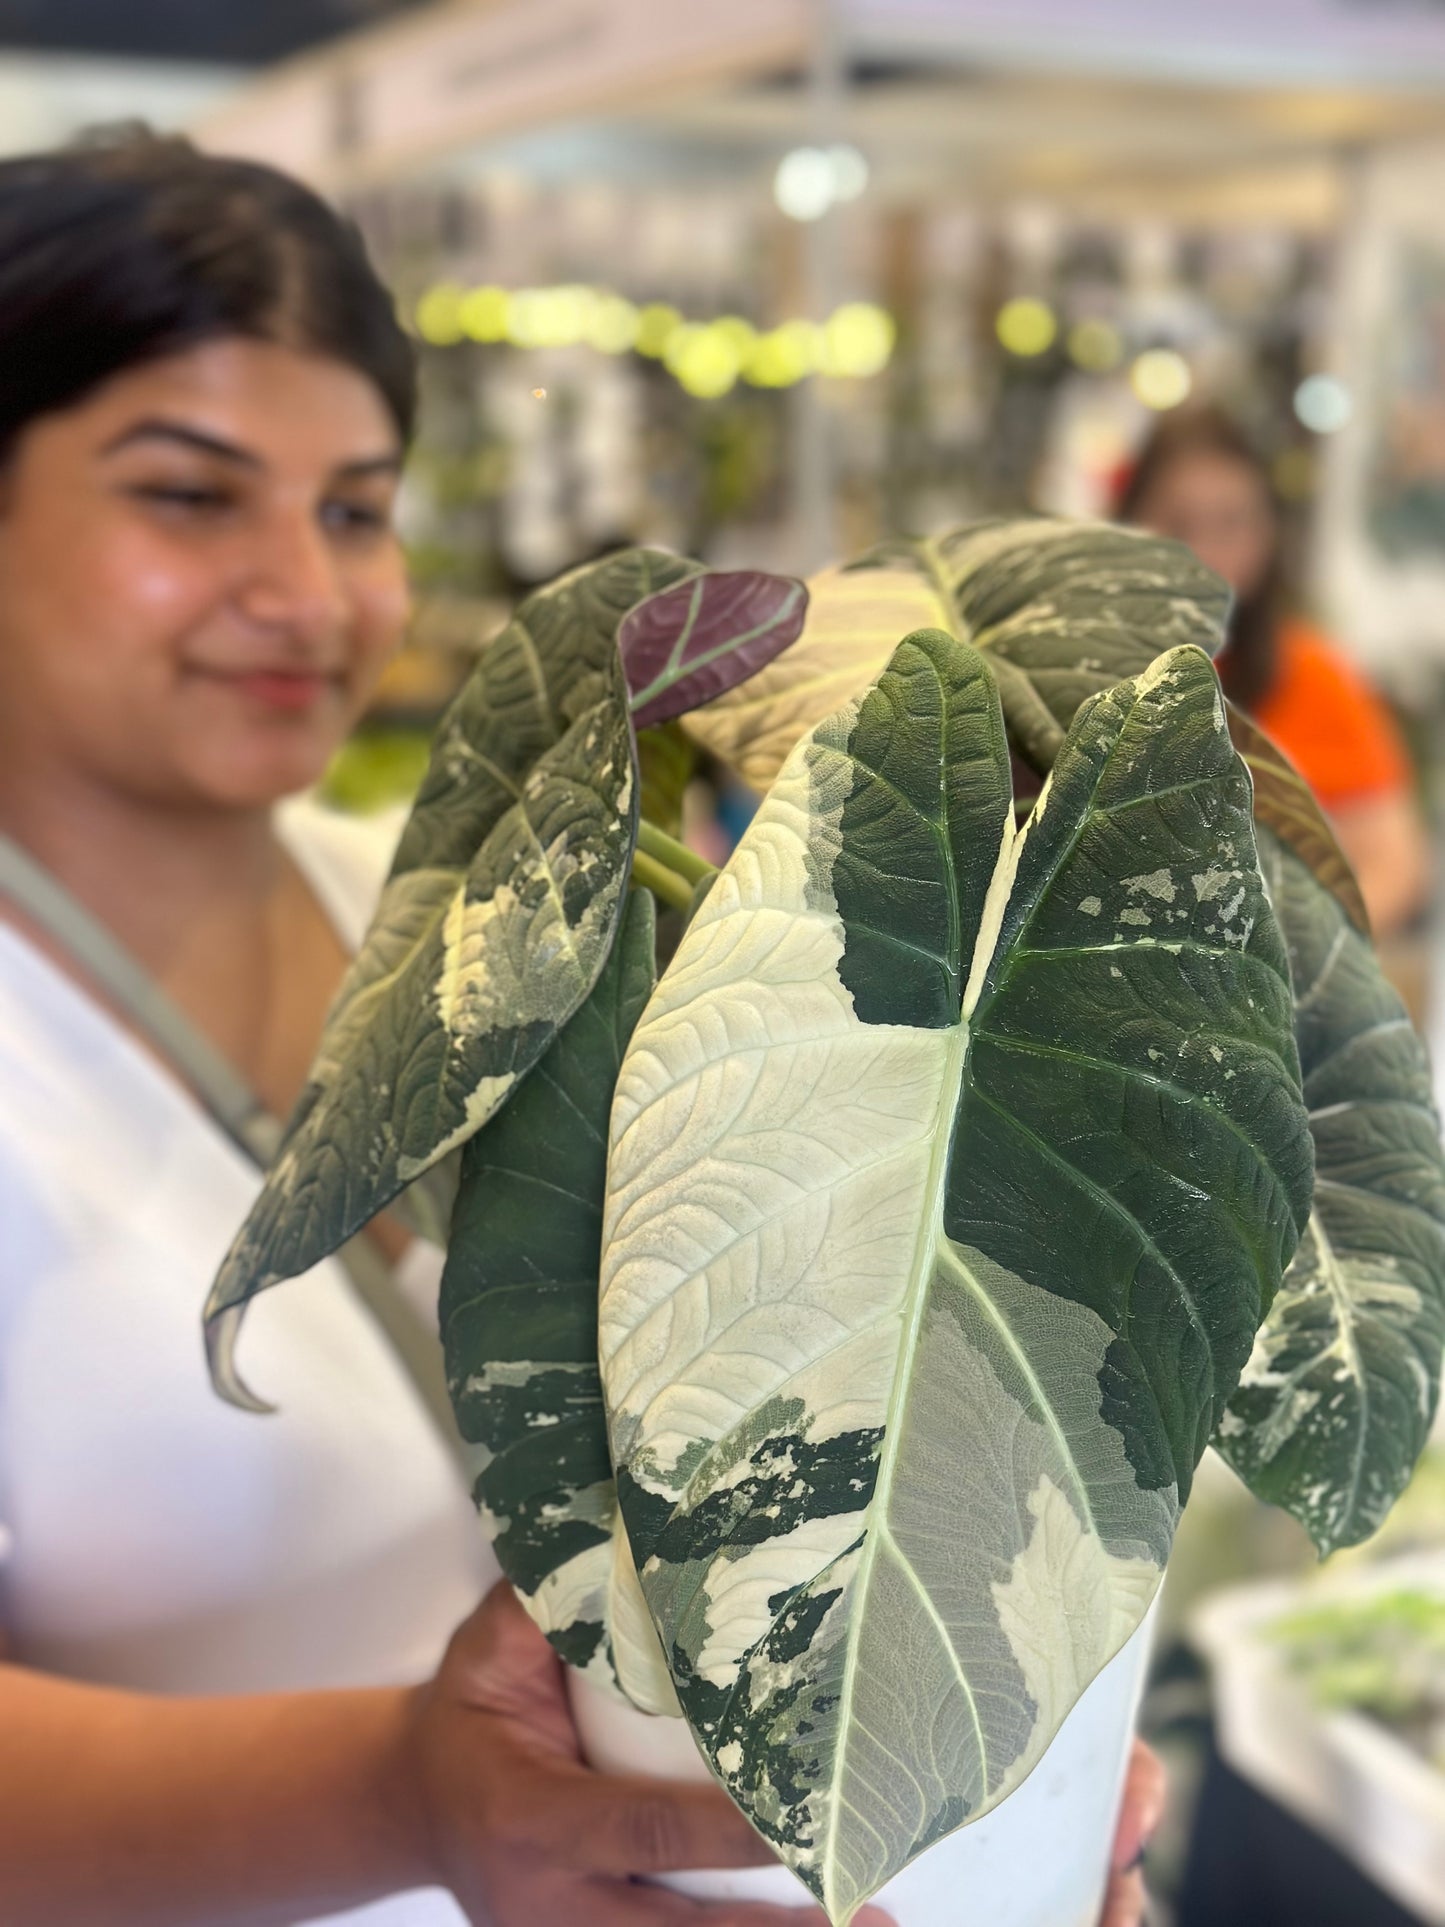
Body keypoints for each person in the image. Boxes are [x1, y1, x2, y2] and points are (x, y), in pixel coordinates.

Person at [0, 130, 1159, 1926]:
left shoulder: (462, 901)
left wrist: (996, 1795)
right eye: (189, 495)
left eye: (356, 508)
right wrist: (412, 1798)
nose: (309, 596)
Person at [1118, 405, 1431, 940]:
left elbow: (1398, 865)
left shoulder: (1312, 675)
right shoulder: (1082, 675)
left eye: (1231, 523)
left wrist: (1299, 958)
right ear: (1129, 526)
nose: (1205, 551)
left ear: (1268, 533)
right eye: (1178, 523)